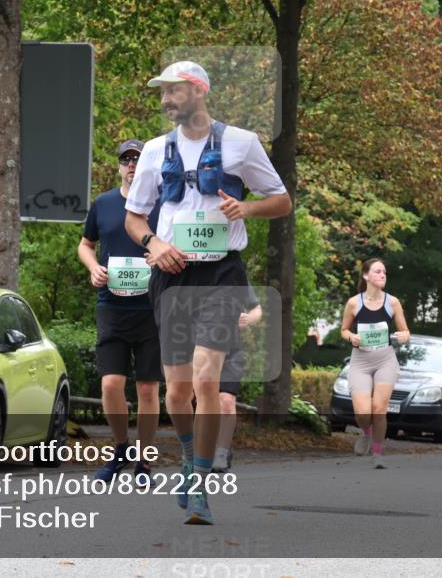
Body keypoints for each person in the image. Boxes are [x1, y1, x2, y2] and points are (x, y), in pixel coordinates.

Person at [125, 60, 292, 524]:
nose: (165, 100)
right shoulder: (157, 151)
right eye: (161, 93)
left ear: (198, 90)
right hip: (172, 276)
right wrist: (153, 242)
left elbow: (282, 200)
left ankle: (199, 485)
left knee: (205, 380)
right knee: (177, 392)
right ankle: (186, 457)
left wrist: (248, 208)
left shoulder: (242, 143)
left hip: (222, 275)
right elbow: (134, 218)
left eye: (173, 92)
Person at [77, 139, 162, 484]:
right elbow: (85, 244)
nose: (131, 165)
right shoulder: (105, 203)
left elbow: (177, 245)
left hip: (152, 307)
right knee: (111, 383)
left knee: (146, 389)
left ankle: (143, 462)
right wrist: (93, 267)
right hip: (112, 305)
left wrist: (160, 256)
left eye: (137, 159)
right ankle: (121, 448)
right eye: (125, 159)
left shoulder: (162, 204)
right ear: (119, 166)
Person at [339, 258, 411, 469]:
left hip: (385, 359)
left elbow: (405, 331)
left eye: (384, 272)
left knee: (379, 409)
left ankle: (378, 453)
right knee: (362, 412)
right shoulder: (354, 303)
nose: (382, 275)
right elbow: (343, 330)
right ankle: (366, 433)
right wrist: (351, 337)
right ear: (366, 276)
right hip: (360, 360)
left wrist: (402, 336)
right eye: (378, 271)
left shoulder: (393, 302)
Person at [213, 285, 262, 473]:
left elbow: (257, 308)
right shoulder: (195, 270)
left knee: (226, 400)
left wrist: (249, 318)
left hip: (231, 351)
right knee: (202, 401)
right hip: (200, 350)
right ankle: (205, 448)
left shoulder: (235, 276)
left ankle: (222, 452)